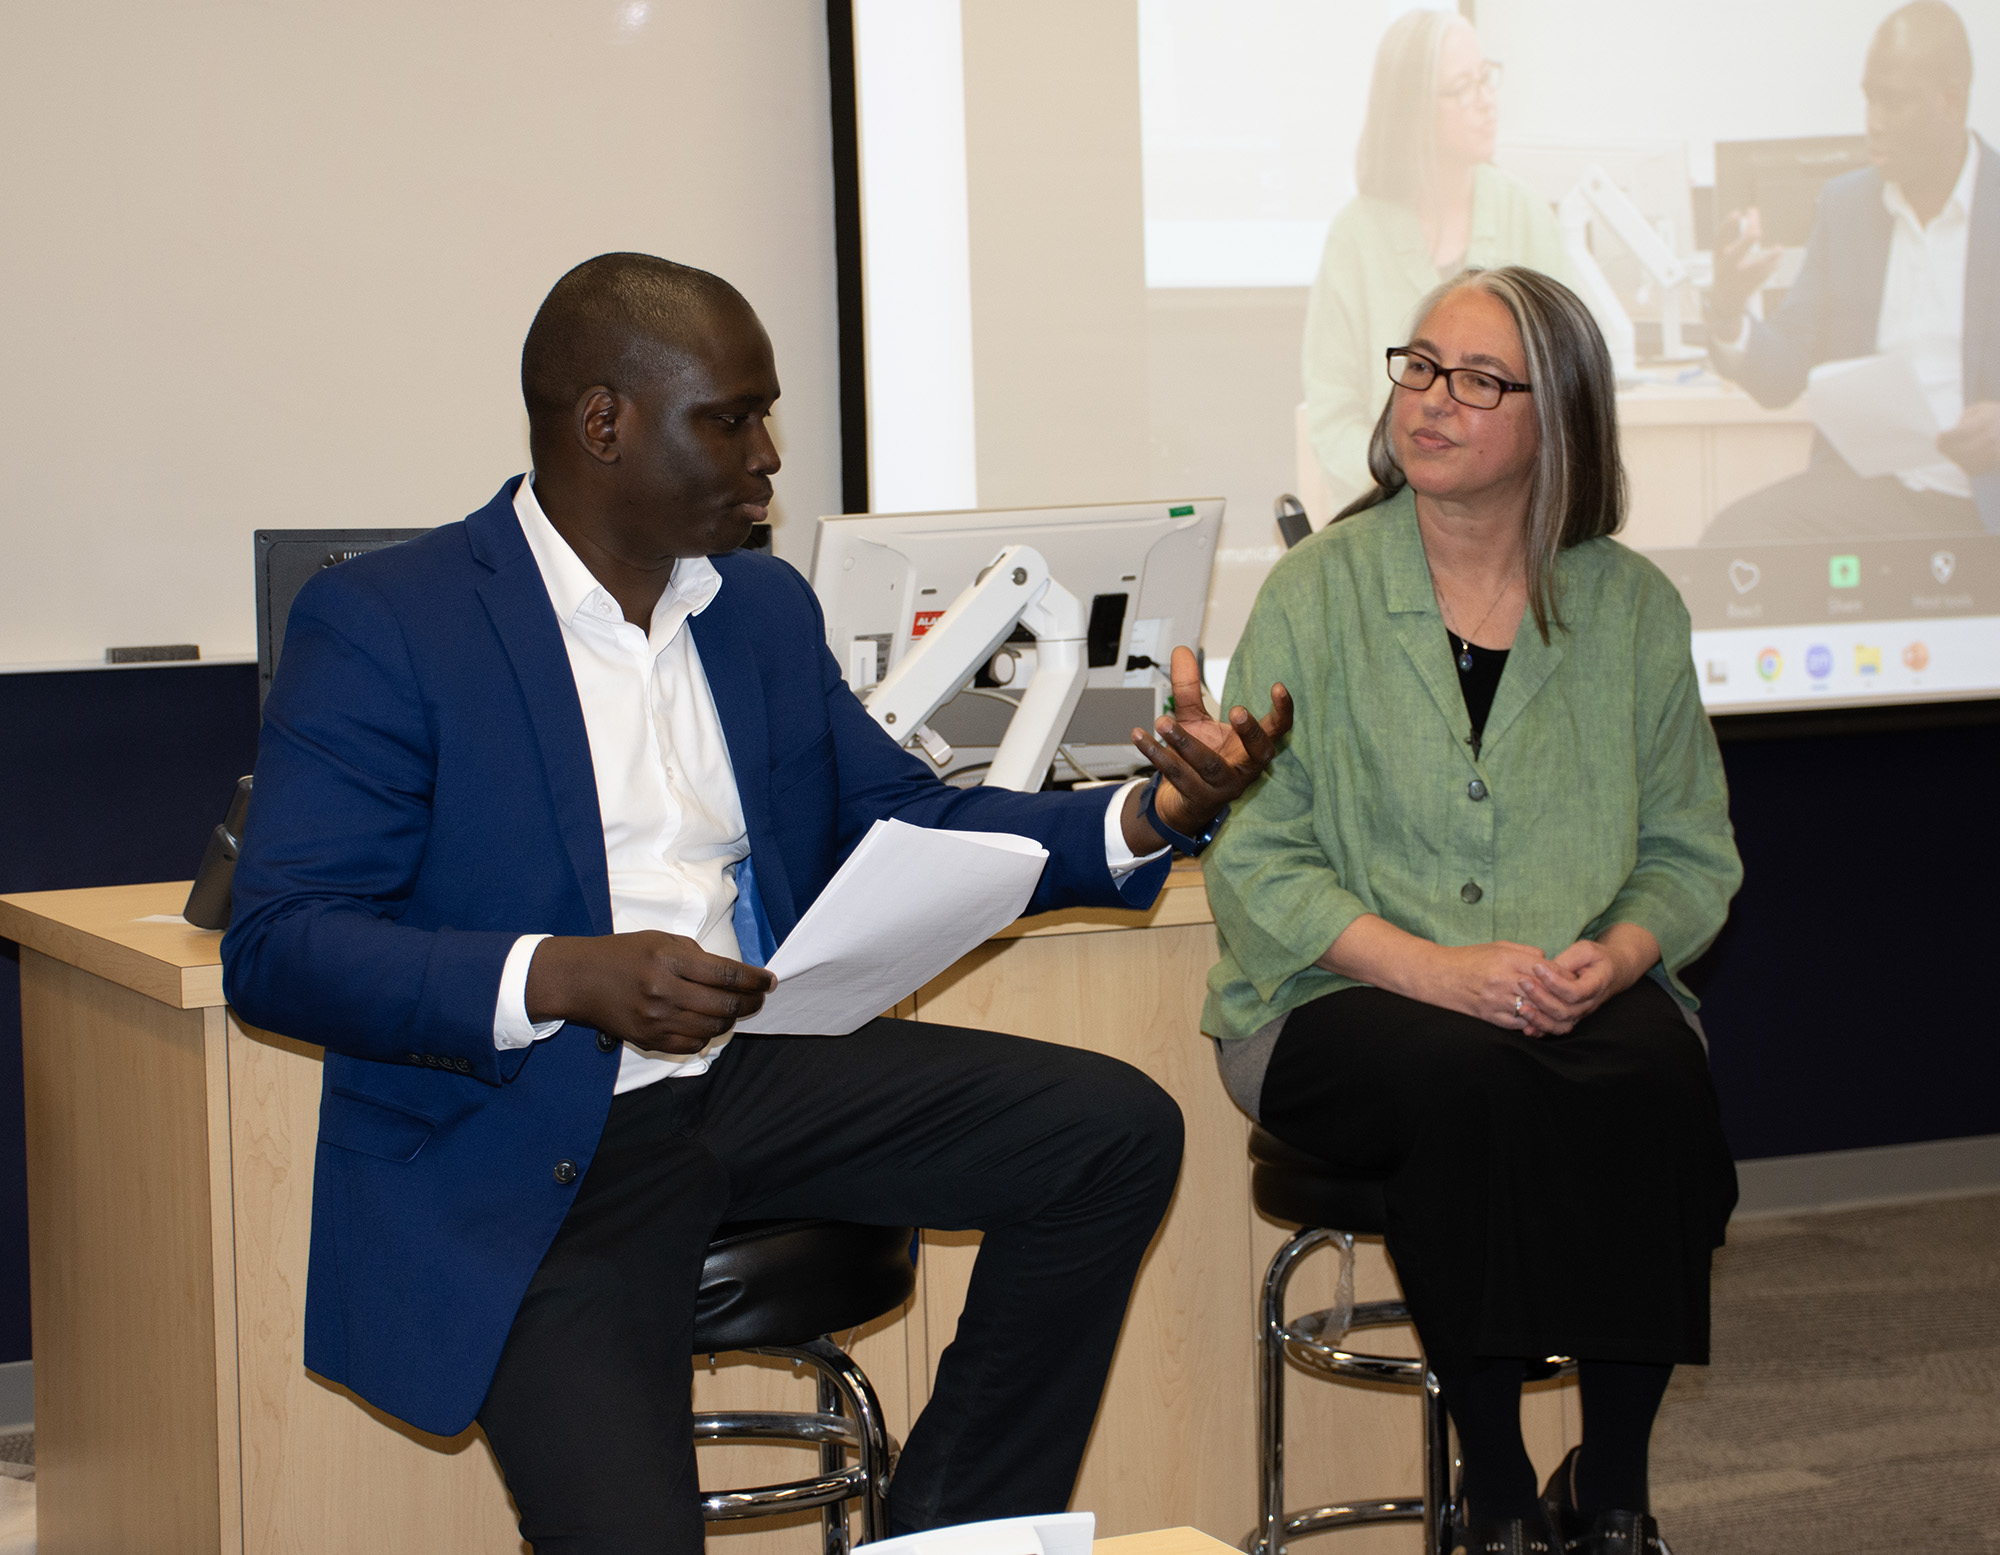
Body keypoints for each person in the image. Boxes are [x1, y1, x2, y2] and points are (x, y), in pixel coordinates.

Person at [221, 252, 1293, 1554]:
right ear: (603, 421)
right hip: (540, 1129)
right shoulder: (392, 621)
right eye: (731, 418)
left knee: (1111, 1130)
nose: (771, 452)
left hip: (751, 1076)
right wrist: (560, 973)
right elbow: (282, 944)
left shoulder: (759, 609)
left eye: (765, 413)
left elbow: (904, 820)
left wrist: (1149, 814)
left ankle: (947, 1531)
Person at [1209, 266, 1742, 1555]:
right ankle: (1498, 1497)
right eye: (1416, 367)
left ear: (1555, 419)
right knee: (1467, 1082)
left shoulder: (1627, 608)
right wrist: (1437, 973)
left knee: (1661, 1071)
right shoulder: (1314, 594)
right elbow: (1256, 854)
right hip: (1331, 1002)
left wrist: (1615, 957)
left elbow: (1689, 853)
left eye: (1476, 380)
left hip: (1563, 991)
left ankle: (1609, 1494)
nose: (1429, 402)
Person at [1702, 0, 1997, 543]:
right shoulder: (1846, 210)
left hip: (1986, 498)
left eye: (1895, 102)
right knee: (1732, 540)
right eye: (1869, 99)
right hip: (1873, 495)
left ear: (1950, 101)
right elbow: (1781, 374)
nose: (1874, 123)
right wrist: (1729, 313)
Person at [1302, 10, 1571, 515]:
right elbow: (1333, 416)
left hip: (1514, 520)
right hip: (1385, 515)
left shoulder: (1527, 215)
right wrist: (1406, 496)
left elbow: (1568, 393)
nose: (1486, 101)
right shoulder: (1355, 235)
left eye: (1486, 78)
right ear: (1412, 110)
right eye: (1463, 88)